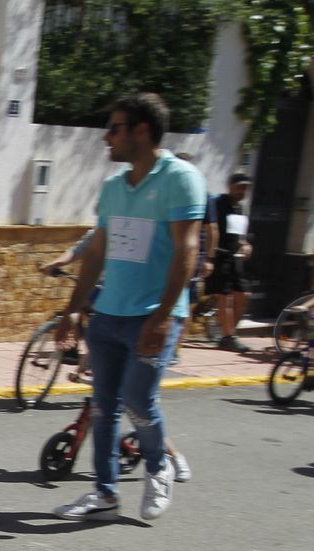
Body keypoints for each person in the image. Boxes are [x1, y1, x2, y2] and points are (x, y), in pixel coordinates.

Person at [52, 92, 204, 522]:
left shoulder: (181, 178)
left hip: (153, 314)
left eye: (114, 128)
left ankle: (159, 467)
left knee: (139, 401)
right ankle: (104, 492)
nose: (106, 137)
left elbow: (186, 250)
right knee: (102, 407)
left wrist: (162, 317)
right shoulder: (113, 188)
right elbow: (98, 251)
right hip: (110, 314)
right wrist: (72, 310)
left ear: (141, 131)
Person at [206, 171, 253, 352]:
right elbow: (212, 228)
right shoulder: (217, 204)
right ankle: (228, 336)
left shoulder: (239, 209)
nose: (242, 191)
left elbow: (241, 236)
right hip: (220, 256)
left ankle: (227, 333)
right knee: (225, 298)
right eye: (239, 186)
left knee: (244, 295)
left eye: (245, 188)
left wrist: (246, 245)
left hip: (236, 258)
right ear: (230, 186)